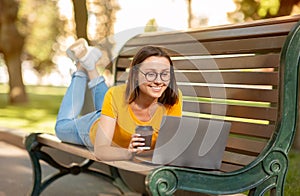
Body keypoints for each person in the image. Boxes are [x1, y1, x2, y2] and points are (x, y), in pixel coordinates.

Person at [55, 38, 182, 161]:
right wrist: (128, 153)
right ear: (136, 75)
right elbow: (101, 151)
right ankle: (81, 71)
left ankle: (89, 64)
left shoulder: (173, 97)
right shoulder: (116, 95)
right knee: (61, 127)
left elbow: (168, 147)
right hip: (95, 128)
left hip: (116, 116)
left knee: (113, 100)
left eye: (165, 74)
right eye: (150, 74)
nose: (159, 81)